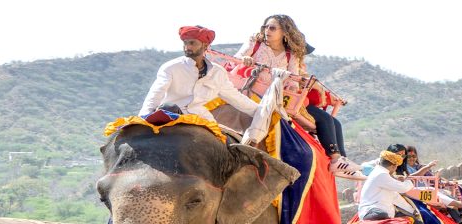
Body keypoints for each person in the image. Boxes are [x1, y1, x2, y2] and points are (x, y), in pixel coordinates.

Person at [237, 15, 359, 180]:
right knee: (326, 120)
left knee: (333, 121)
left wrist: (294, 85)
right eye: (266, 27)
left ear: (284, 33)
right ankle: (337, 159)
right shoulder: (255, 43)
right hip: (253, 90)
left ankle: (340, 160)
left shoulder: (290, 55)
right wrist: (245, 60)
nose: (267, 31)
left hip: (280, 95)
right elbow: (237, 59)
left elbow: (295, 79)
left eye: (272, 28)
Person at [140, 26, 258, 122]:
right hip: (171, 115)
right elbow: (155, 94)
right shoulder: (171, 67)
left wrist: (261, 111)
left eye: (192, 43)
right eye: (185, 43)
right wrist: (143, 119)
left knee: (224, 145)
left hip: (202, 119)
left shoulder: (218, 73)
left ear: (205, 46)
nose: (187, 47)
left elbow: (236, 98)